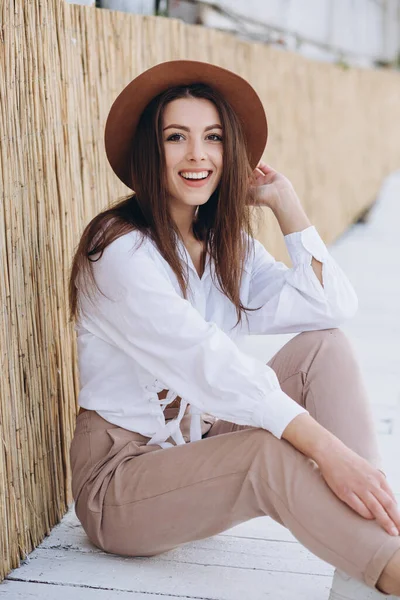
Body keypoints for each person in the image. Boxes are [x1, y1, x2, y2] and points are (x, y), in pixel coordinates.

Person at [68, 60, 400, 599]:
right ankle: (387, 570)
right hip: (121, 485)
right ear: (152, 152)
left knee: (325, 350)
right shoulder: (119, 252)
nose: (198, 154)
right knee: (265, 452)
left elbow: (330, 306)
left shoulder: (224, 246)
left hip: (195, 445)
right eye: (177, 137)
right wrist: (330, 453)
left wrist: (284, 203)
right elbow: (208, 364)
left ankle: (369, 548)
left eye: (213, 138)